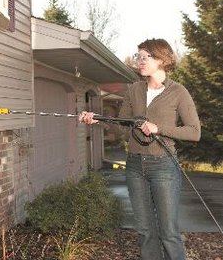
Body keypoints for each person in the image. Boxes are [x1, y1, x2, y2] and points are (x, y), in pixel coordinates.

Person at [79, 38, 201, 260]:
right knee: (145, 232)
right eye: (139, 57)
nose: (140, 61)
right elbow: (124, 129)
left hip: (164, 166)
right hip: (135, 166)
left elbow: (194, 132)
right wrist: (97, 120)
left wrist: (159, 128)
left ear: (162, 60)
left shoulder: (178, 92)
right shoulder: (134, 90)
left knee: (168, 233)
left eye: (146, 57)